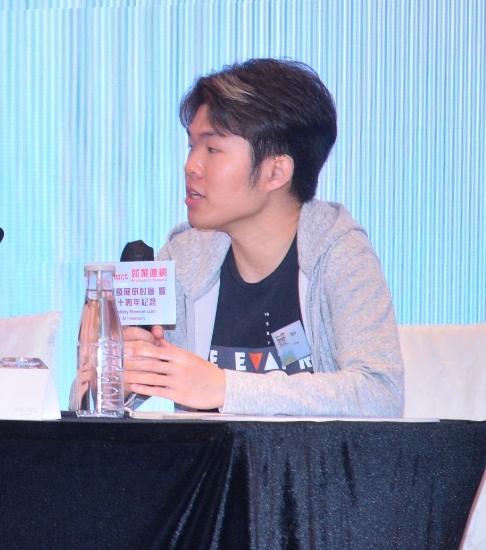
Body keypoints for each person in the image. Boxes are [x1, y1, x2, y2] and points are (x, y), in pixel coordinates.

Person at [121, 59, 403, 416]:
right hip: (214, 456)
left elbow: (382, 393)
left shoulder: (338, 252)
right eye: (191, 147)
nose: (190, 166)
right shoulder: (185, 257)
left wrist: (225, 388)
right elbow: (102, 402)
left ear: (276, 172)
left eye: (212, 149)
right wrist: (110, 372)